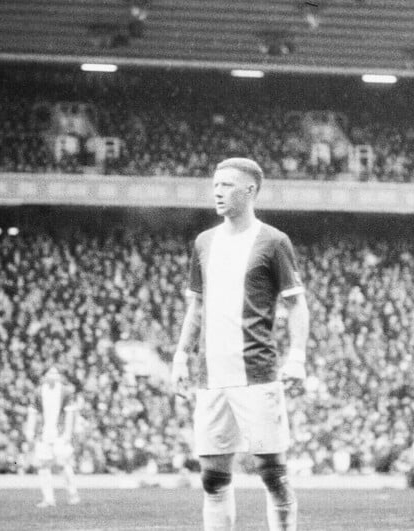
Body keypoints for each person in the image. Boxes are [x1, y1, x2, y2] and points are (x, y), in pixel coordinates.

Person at [172, 158, 310, 531]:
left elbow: (297, 303)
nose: (217, 191)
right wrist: (181, 356)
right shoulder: (204, 242)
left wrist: (297, 357)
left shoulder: (273, 241)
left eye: (227, 185)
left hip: (257, 374)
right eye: (215, 185)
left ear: (250, 190)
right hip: (211, 376)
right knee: (213, 478)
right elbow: (196, 307)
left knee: (273, 473)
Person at [24, 366, 80, 507]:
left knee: (62, 464)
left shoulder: (65, 392)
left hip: (60, 434)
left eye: (56, 373)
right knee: (43, 466)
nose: (53, 375)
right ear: (45, 375)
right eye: (50, 372)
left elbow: (69, 413)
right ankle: (48, 498)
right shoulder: (38, 392)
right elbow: (32, 412)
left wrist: (68, 432)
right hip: (44, 434)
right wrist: (30, 430)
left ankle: (72, 494)